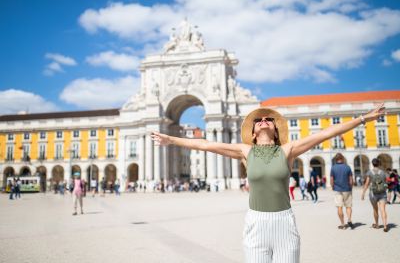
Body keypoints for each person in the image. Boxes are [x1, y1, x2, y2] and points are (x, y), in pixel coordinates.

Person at [151, 103, 385, 263]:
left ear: (275, 130)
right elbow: (205, 145)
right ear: (253, 132)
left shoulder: (288, 150)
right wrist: (170, 139)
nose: (264, 121)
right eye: (259, 120)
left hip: (284, 222)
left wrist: (363, 118)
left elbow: (325, 133)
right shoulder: (245, 150)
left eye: (269, 120)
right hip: (256, 223)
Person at [361, 158, 389, 232]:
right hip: (382, 193)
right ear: (379, 164)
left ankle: (377, 224)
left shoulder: (369, 172)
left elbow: (366, 183)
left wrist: (363, 193)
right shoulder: (383, 172)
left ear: (372, 164)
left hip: (373, 194)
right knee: (383, 209)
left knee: (375, 209)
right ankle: (385, 225)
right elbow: (386, 182)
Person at [330, 153, 354, 230]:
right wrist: (351, 187)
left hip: (337, 189)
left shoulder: (333, 168)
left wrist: (333, 186)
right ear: (342, 158)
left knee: (339, 207)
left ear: (336, 159)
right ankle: (349, 219)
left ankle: (343, 224)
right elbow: (351, 179)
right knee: (348, 206)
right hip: (347, 189)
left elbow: (331, 179)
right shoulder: (347, 167)